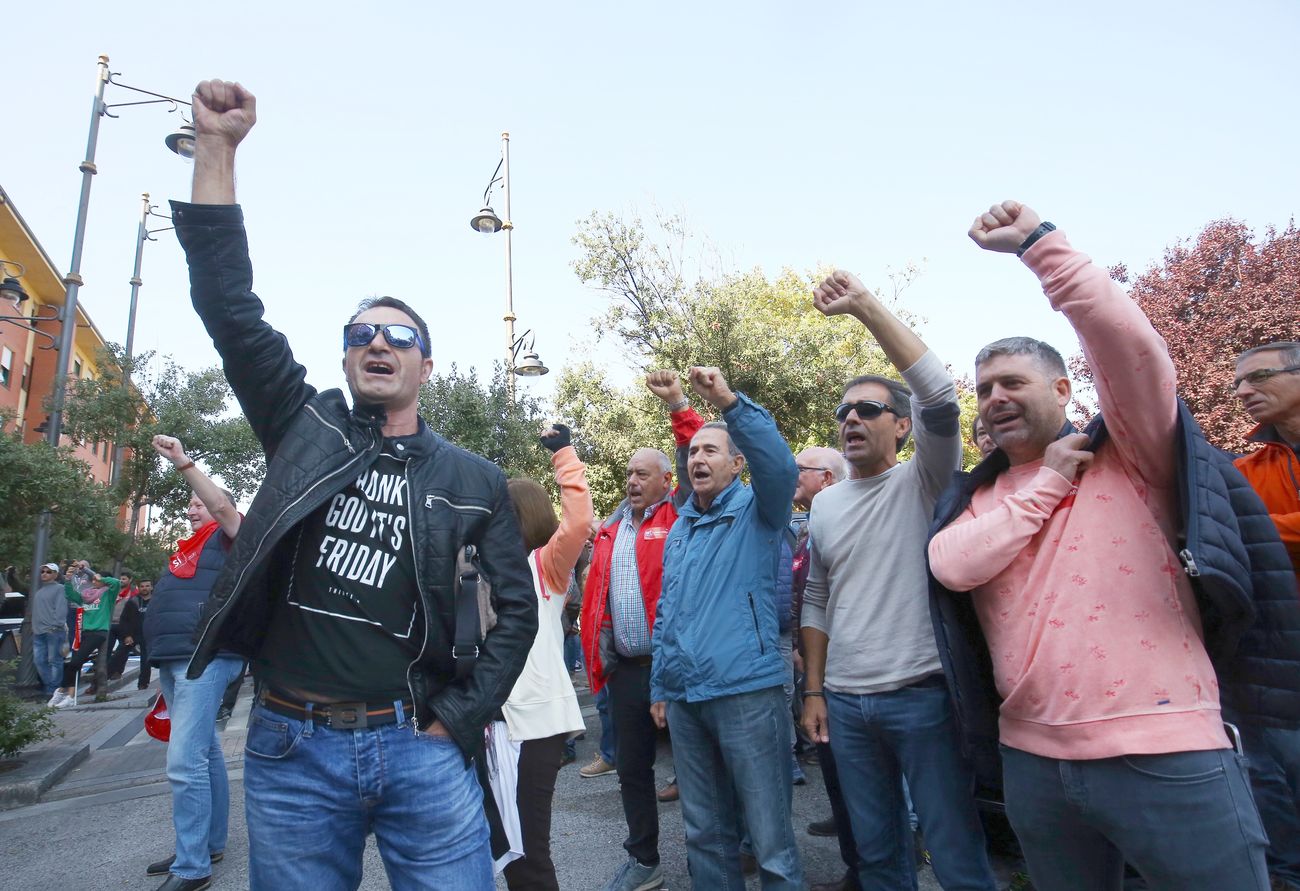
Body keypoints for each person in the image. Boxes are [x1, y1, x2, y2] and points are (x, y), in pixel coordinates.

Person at [173, 78, 537, 891]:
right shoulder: (305, 428)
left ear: (425, 363)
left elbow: (518, 612)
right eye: (361, 333)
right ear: (345, 358)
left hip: (421, 745)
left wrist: (462, 715)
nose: (379, 342)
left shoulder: (473, 480)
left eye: (399, 334)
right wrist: (216, 150)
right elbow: (229, 307)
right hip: (291, 748)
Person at [927, 200, 1278, 890]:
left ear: (1062, 388)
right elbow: (951, 563)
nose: (994, 397)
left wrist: (1040, 247)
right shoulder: (977, 494)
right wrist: (1047, 482)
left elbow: (1135, 352)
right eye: (984, 387)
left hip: (1166, 748)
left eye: (1013, 382)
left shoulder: (1133, 453)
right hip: (1032, 761)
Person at [801, 269, 996, 891]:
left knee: (953, 846)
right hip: (847, 706)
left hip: (924, 696)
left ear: (902, 426)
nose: (851, 418)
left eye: (868, 408)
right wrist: (814, 690)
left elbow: (939, 396)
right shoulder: (825, 506)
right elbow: (817, 597)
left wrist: (865, 309)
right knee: (878, 854)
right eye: (843, 411)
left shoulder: (927, 479)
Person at [651, 366, 803, 889]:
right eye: (693, 452)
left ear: (739, 464)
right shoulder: (682, 526)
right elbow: (668, 611)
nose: (697, 458)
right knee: (704, 835)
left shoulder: (761, 510)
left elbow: (780, 466)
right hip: (687, 697)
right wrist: (661, 686)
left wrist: (728, 403)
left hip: (746, 694)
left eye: (711, 451)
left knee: (770, 842)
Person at [581, 369, 703, 891]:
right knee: (633, 769)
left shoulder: (681, 515)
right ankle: (644, 860)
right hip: (629, 670)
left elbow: (691, 451)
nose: (631, 481)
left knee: (701, 771)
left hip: (680, 667)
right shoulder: (610, 529)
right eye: (628, 474)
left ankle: (716, 856)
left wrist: (677, 404)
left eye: (641, 474)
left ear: (664, 482)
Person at [141, 435, 248, 891]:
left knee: (184, 762)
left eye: (197, 504)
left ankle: (193, 868)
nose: (191, 510)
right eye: (189, 506)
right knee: (203, 755)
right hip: (175, 658)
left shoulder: (232, 536)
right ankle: (205, 845)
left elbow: (224, 510)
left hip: (204, 657)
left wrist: (183, 462)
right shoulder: (188, 548)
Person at [500, 423, 594, 889]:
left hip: (536, 728)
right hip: (486, 723)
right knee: (488, 844)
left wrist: (564, 454)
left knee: (527, 851)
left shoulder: (545, 567)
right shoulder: (478, 567)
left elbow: (577, 522)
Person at [1233, 340, 1300, 890]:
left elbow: (1247, 534)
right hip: (1271, 648)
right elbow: (1226, 536)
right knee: (1268, 772)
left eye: (1257, 377)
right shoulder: (1248, 468)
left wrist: (1263, 531)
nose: (1243, 391)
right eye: (1237, 383)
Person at [788, 448, 861, 891]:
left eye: (800, 470)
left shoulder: (846, 523)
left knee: (869, 785)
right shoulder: (808, 532)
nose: (791, 475)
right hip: (821, 671)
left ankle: (878, 864)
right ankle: (857, 864)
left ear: (828, 479)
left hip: (852, 672)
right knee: (837, 773)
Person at [50, 561, 120, 704]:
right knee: (72, 663)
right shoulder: (86, 595)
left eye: (96, 579)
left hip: (99, 632)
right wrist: (68, 580)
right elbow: (70, 595)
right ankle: (64, 693)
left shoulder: (108, 594)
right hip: (84, 632)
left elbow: (116, 582)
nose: (93, 581)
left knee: (75, 662)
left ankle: (64, 693)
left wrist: (90, 572)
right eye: (93, 579)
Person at [33, 563, 75, 702]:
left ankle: (53, 690)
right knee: (39, 661)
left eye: (48, 571)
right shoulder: (38, 591)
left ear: (55, 574)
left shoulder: (60, 589)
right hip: (38, 632)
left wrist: (56, 625)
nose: (44, 574)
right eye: (43, 571)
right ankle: (51, 687)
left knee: (55, 661)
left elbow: (61, 610)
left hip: (54, 631)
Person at [107, 577, 154, 687]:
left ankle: (143, 684)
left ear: (151, 587)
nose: (145, 588)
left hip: (148, 635)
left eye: (147, 586)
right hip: (132, 635)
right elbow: (124, 620)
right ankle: (100, 681)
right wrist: (127, 635)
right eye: (142, 586)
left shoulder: (156, 601)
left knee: (146, 661)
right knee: (117, 656)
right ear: (139, 588)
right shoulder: (132, 602)